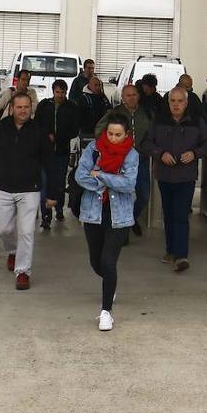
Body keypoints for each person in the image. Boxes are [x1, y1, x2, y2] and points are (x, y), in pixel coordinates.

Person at [75, 112, 140, 330]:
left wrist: (100, 176)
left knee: (108, 261)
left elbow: (129, 184)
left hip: (119, 216)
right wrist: (110, 180)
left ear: (126, 134)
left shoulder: (131, 155)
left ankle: (106, 312)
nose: (113, 138)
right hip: (93, 213)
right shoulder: (93, 149)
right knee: (96, 262)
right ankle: (109, 285)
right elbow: (80, 176)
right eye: (110, 134)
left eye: (118, 134)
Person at [142, 87, 207, 272]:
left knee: (181, 215)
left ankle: (181, 256)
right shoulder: (158, 120)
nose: (176, 105)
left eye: (180, 101)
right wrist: (160, 154)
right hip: (164, 176)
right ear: (168, 102)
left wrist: (195, 153)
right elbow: (146, 143)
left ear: (186, 102)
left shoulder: (196, 121)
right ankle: (170, 250)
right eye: (172, 101)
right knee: (169, 214)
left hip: (186, 177)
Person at [0, 92, 47, 290]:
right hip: (4, 188)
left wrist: (52, 192)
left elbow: (49, 161)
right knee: (2, 229)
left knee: (27, 232)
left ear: (31, 108)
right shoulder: (1, 128)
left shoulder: (39, 130)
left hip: (30, 189)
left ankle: (22, 272)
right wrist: (0, 173)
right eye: (19, 107)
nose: (23, 111)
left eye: (26, 107)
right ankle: (12, 250)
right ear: (12, 108)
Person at [96, 84, 153, 236]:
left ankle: (130, 219)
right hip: (119, 162)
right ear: (122, 98)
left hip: (141, 160)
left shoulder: (146, 113)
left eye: (134, 94)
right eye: (128, 95)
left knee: (144, 194)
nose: (131, 98)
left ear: (138, 96)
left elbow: (153, 134)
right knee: (119, 196)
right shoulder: (114, 113)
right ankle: (122, 231)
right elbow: (99, 130)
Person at [36, 80, 81, 229]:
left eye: (63, 92)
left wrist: (59, 137)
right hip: (45, 152)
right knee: (44, 182)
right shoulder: (44, 105)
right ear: (53, 91)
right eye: (57, 92)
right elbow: (37, 124)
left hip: (62, 151)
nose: (60, 95)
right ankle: (46, 215)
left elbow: (74, 129)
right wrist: (46, 135)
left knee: (59, 181)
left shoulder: (72, 108)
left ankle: (59, 206)